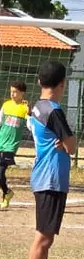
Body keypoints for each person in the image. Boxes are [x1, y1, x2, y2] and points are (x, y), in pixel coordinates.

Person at [25, 61, 76, 259]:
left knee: (46, 238)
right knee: (42, 238)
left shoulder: (36, 107)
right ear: (61, 85)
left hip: (44, 176)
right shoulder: (53, 110)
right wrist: (67, 142)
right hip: (51, 178)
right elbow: (72, 145)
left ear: (39, 82)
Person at [0, 80, 28, 209]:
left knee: (0, 172)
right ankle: (7, 193)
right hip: (0, 141)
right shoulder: (6, 105)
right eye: (11, 91)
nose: (12, 94)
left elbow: (31, 125)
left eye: (15, 92)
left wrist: (31, 112)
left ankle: (6, 194)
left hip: (10, 146)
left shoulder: (25, 108)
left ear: (22, 93)